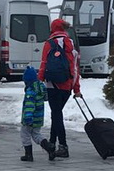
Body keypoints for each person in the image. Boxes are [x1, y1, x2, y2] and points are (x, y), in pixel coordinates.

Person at [38, 18, 81, 160]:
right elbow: (75, 68)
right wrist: (76, 89)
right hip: (67, 86)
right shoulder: (70, 44)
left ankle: (62, 146)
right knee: (56, 114)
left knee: (56, 115)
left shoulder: (49, 44)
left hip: (53, 84)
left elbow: (44, 64)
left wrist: (38, 82)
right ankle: (52, 143)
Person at [19, 66, 50, 162]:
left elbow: (29, 106)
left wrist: (28, 118)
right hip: (38, 118)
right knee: (36, 135)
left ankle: (28, 155)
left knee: (25, 135)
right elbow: (45, 97)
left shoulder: (30, 91)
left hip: (30, 119)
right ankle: (49, 147)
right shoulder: (41, 87)